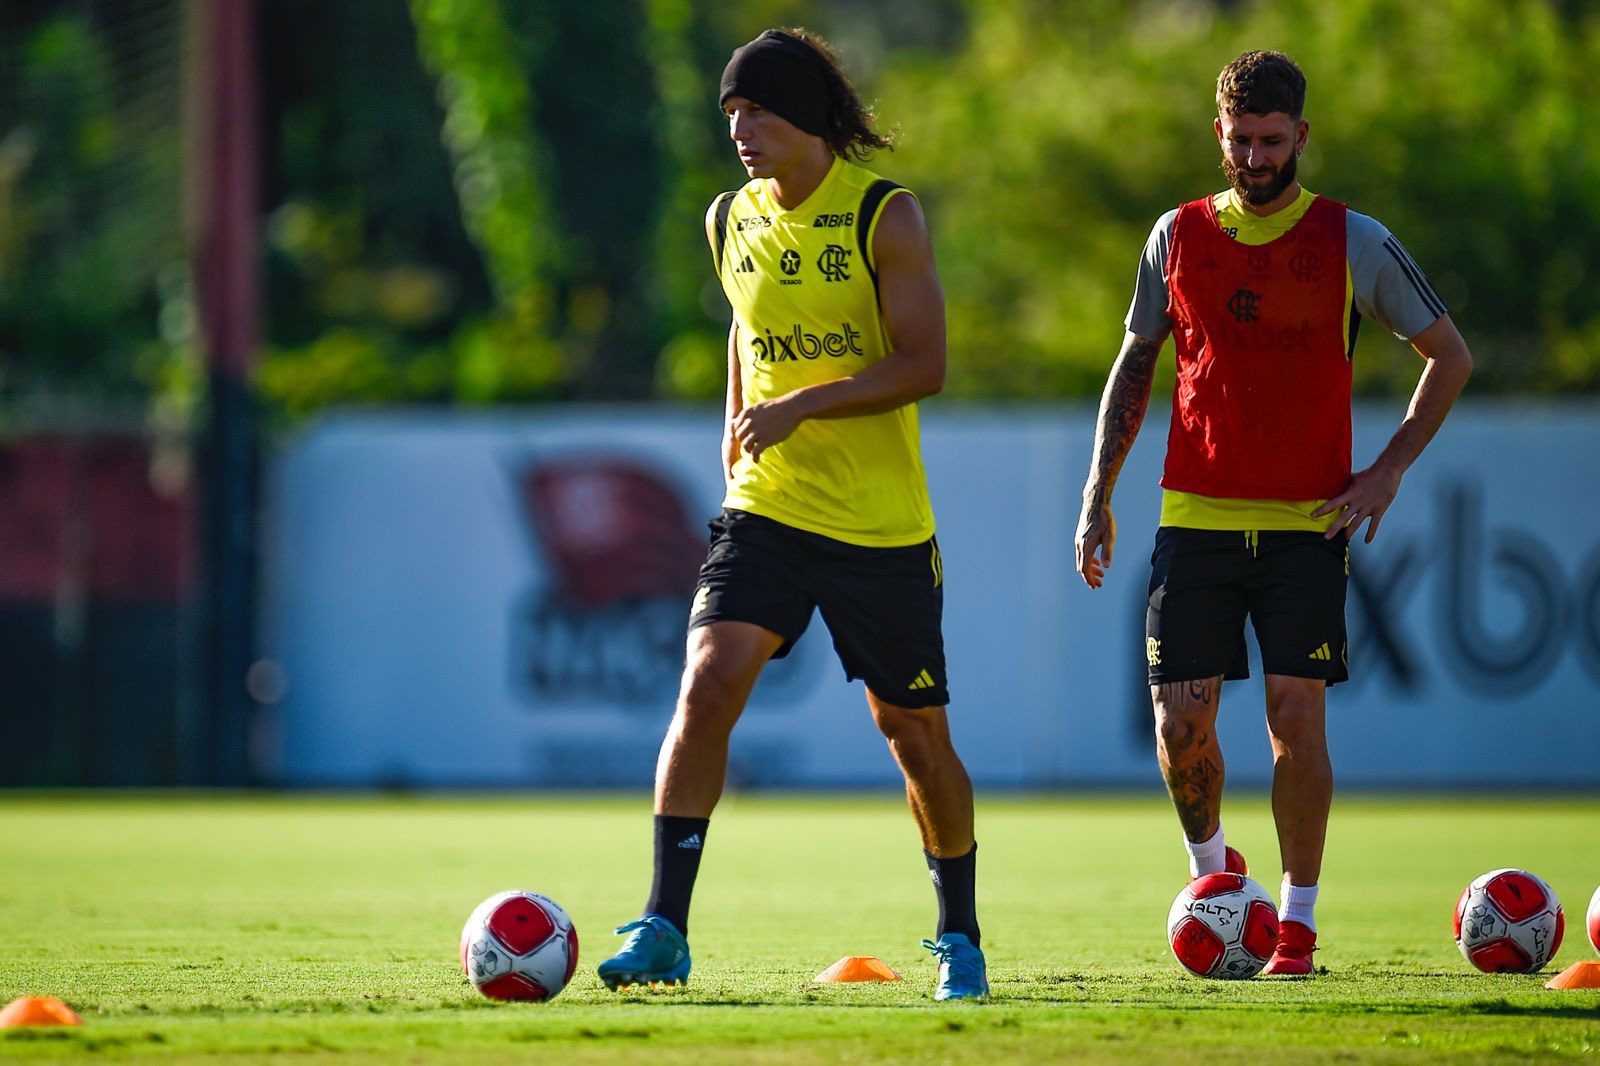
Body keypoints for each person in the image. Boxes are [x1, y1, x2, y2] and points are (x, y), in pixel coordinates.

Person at [595, 27, 987, 1003]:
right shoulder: (727, 217)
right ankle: (663, 924)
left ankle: (960, 934)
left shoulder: (883, 217)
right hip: (765, 510)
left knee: (913, 734)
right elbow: (745, 322)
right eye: (730, 114)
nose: (739, 131)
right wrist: (737, 417)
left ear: (806, 117)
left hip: (878, 526)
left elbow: (923, 365)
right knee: (706, 681)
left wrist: (800, 403)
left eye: (756, 112)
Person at [1075, 50, 1472, 976]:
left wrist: (1387, 471)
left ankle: (1294, 924)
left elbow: (1448, 355)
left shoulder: (1351, 240)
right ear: (1218, 136)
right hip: (1195, 518)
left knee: (1296, 722)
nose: (1254, 158)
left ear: (1301, 136)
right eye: (1239, 141)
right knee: (1180, 728)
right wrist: (1097, 495)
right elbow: (1134, 370)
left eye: (1270, 141)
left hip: (1306, 525)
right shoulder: (1175, 237)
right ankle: (1216, 883)